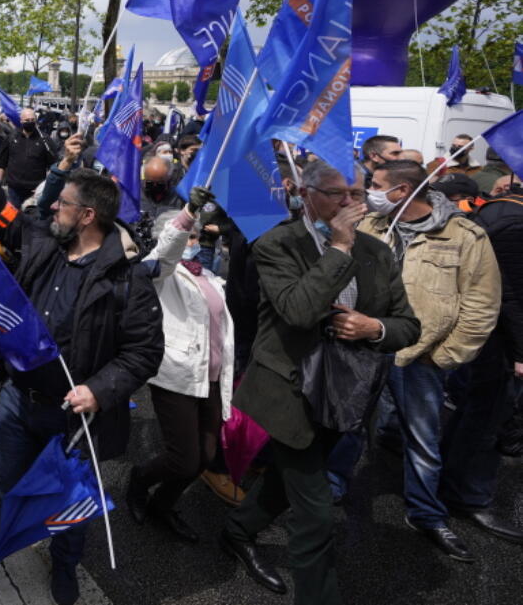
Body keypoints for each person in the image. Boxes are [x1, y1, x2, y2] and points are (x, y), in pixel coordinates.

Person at [0, 116, 163, 605]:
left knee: (70, 503)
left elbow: (144, 352)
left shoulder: (127, 279)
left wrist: (100, 389)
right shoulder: (41, 240)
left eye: (64, 203)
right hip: (19, 403)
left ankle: (65, 566)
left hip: (77, 420)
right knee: (0, 489)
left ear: (88, 215)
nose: (52, 207)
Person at [222, 159, 419, 605]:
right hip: (289, 393)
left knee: (286, 483)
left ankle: (236, 530)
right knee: (316, 516)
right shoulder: (277, 244)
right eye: (338, 194)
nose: (352, 204)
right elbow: (298, 311)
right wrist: (340, 246)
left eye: (357, 192)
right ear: (306, 194)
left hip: (345, 393)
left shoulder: (380, 252)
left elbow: (408, 326)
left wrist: (376, 329)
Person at [357, 159, 501, 561]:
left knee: (422, 441)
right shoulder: (372, 225)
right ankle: (333, 489)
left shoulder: (465, 235)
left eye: (376, 184)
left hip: (419, 357)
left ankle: (425, 514)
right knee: (347, 425)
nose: (370, 190)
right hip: (365, 347)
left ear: (402, 191)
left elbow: (481, 303)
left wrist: (445, 356)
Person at [126, 189, 235, 544]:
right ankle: (140, 480)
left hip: (212, 378)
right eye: (189, 233)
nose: (194, 239)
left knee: (205, 455)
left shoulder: (211, 277)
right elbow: (166, 251)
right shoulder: (160, 272)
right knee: (184, 459)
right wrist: (188, 212)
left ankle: (162, 505)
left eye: (197, 234)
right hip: (176, 376)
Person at [453, 186, 523, 545]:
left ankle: (458, 486)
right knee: (488, 417)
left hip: (495, 339)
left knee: (479, 413)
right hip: (497, 343)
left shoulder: (505, 213)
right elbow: (509, 297)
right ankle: (469, 496)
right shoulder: (512, 220)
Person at [0, 108, 58, 209]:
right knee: (14, 221)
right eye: (27, 120)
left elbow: (53, 166)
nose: (30, 123)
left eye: (32, 120)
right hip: (14, 190)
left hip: (35, 191)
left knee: (32, 221)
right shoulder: (11, 137)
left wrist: (44, 186)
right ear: (21, 121)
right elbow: (1, 163)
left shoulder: (45, 140)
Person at [141, 156, 184, 223]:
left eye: (160, 184)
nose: (154, 186)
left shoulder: (180, 196)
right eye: (150, 183)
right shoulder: (136, 193)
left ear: (169, 179)